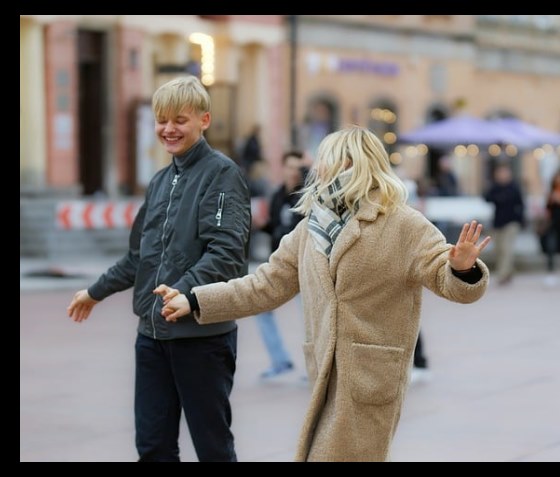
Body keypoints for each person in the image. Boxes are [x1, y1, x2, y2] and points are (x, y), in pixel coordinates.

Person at [155, 126, 490, 462]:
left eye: (324, 158)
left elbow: (448, 281)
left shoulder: (403, 224)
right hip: (324, 376)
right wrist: (196, 299)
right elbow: (264, 285)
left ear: (348, 162)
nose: (315, 167)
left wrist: (461, 268)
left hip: (370, 380)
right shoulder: (311, 227)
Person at [66, 75, 252, 462]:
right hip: (151, 337)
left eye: (179, 120)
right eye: (162, 120)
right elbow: (139, 257)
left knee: (212, 447)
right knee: (152, 446)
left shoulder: (222, 174)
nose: (168, 129)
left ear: (204, 120)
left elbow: (227, 253)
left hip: (201, 338)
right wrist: (94, 292)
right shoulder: (160, 181)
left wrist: (184, 291)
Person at [256, 150, 307, 379]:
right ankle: (279, 360)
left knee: (310, 316)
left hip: (302, 265)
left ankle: (314, 367)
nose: (293, 171)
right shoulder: (277, 195)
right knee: (262, 309)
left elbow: (303, 231)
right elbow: (277, 227)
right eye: (290, 166)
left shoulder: (307, 196)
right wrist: (261, 226)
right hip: (279, 265)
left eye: (298, 167)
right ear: (283, 168)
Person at [484, 163, 525, 285]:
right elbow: (486, 198)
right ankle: (509, 271)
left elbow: (521, 204)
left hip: (511, 223)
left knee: (507, 249)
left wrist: (520, 220)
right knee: (498, 249)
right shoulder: (495, 187)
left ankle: (502, 274)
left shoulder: (514, 187)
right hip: (498, 223)